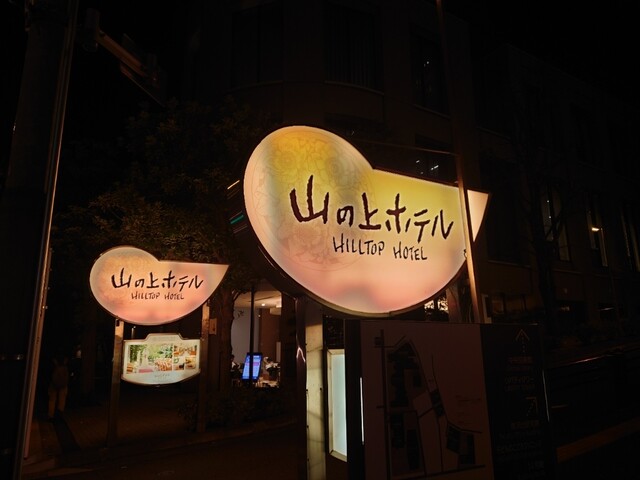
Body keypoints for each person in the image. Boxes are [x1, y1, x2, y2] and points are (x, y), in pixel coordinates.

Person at [48, 353, 69, 420]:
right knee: (62, 399)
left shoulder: (53, 363)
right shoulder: (65, 364)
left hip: (53, 383)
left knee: (52, 399)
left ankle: (51, 415)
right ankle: (59, 413)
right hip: (63, 383)